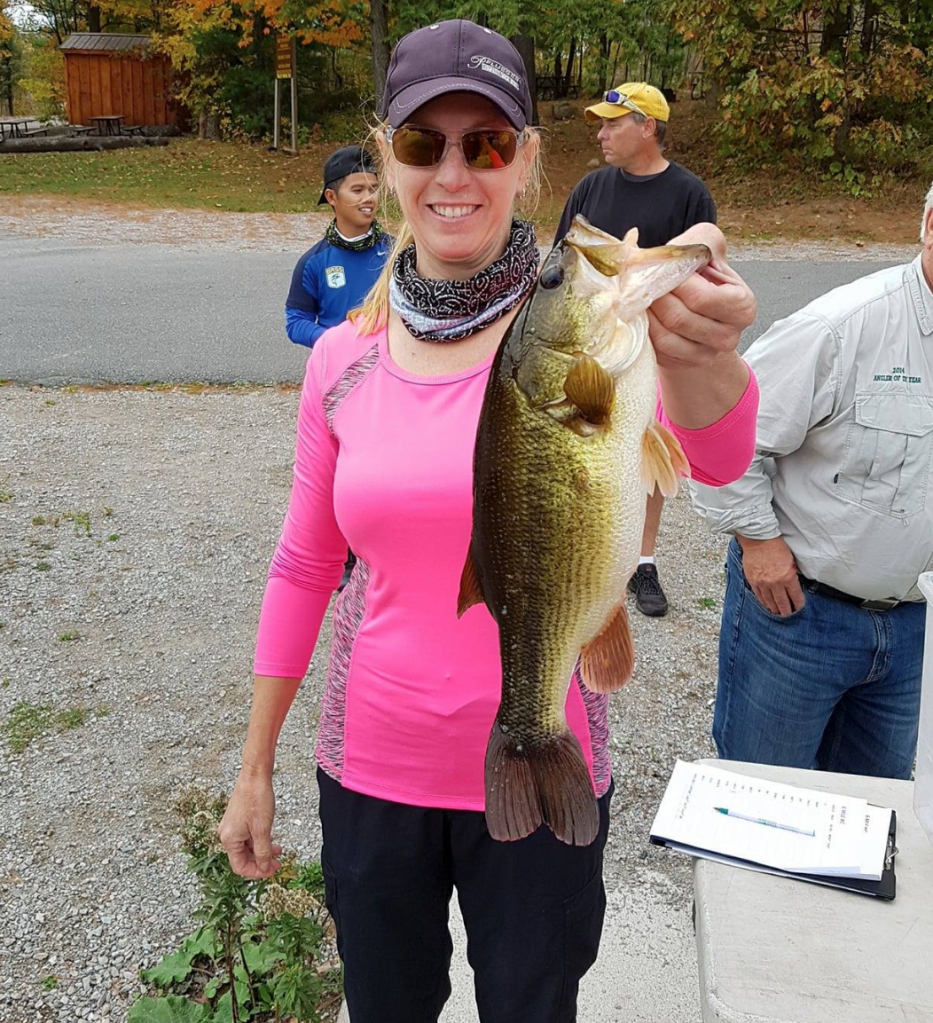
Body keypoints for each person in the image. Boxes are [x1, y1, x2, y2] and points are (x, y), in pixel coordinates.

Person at [219, 20, 758, 1023]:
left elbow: (722, 459)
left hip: (547, 756)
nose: (454, 172)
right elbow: (302, 564)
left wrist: (707, 351)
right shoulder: (343, 357)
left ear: (527, 161)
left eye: (488, 143)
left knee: (532, 1004)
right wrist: (254, 768)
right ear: (387, 158)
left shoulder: (591, 333)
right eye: (423, 143)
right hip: (371, 772)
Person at [689, 180, 933, 781]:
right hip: (801, 618)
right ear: (930, 227)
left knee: (874, 812)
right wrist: (758, 541)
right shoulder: (841, 327)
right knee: (764, 798)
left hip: (914, 631)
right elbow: (727, 440)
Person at [555, 83, 717, 618]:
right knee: (584, 449)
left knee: (647, 455)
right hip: (591, 352)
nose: (601, 134)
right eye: (601, 125)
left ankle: (642, 561)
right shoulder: (590, 188)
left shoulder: (689, 193)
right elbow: (562, 261)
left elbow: (700, 266)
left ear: (648, 127)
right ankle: (584, 551)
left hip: (654, 354)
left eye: (612, 124)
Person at [285, 145, 391, 349]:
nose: (369, 198)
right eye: (357, 190)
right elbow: (296, 322)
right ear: (331, 197)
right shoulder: (313, 262)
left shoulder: (397, 253)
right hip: (337, 363)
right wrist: (336, 342)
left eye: (373, 189)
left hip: (390, 364)